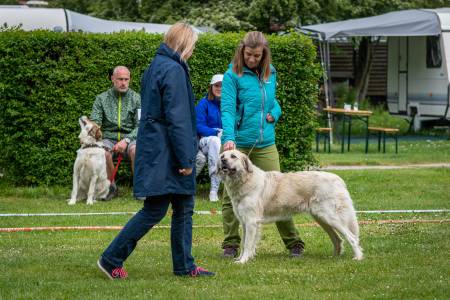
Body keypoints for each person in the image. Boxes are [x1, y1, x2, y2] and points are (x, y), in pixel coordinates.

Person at [97, 22, 214, 279]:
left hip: (159, 148)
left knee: (183, 207)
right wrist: (185, 158)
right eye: (192, 46)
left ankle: (185, 265)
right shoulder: (173, 69)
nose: (193, 52)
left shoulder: (156, 65)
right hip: (168, 153)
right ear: (184, 44)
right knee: (155, 209)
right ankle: (111, 258)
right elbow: (178, 118)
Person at [220, 31, 305, 258]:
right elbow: (227, 109)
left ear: (263, 54)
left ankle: (294, 243)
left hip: (266, 142)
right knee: (230, 196)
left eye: (257, 56)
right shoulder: (232, 75)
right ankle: (231, 244)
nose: (252, 60)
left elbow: (272, 101)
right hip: (237, 143)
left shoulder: (270, 73)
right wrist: (229, 138)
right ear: (242, 51)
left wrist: (275, 113)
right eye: (248, 54)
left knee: (281, 193)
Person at [90, 66, 141, 199]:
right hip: (108, 139)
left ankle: (140, 189)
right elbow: (95, 122)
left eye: (126, 79)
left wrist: (126, 140)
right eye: (120, 79)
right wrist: (94, 131)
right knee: (103, 152)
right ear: (113, 79)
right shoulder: (101, 99)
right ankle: (110, 188)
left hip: (131, 139)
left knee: (136, 150)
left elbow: (142, 125)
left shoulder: (137, 99)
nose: (123, 83)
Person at [195, 74, 224, 202]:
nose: (219, 88)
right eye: (216, 86)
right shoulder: (203, 103)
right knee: (215, 141)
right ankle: (214, 189)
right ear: (211, 87)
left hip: (226, 139)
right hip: (205, 140)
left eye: (222, 86)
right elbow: (198, 126)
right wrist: (215, 132)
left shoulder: (231, 104)